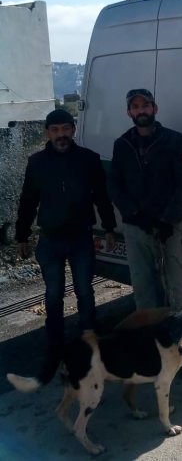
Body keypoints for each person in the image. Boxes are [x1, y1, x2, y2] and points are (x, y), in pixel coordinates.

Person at [15, 108, 117, 374]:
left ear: (73, 130)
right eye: (55, 130)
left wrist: (109, 228)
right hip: (50, 241)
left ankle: (89, 341)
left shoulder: (88, 160)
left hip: (81, 238)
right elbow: (28, 200)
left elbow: (102, 196)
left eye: (65, 129)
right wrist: (21, 236)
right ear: (47, 133)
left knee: (85, 291)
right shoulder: (36, 162)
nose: (61, 135)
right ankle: (55, 346)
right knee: (53, 295)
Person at [108, 89, 182, 311]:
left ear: (154, 108)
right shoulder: (122, 144)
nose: (141, 111)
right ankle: (147, 328)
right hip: (136, 226)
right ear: (129, 112)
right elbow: (114, 185)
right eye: (135, 107)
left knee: (175, 284)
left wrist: (169, 219)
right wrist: (133, 214)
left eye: (145, 106)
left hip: (167, 226)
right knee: (141, 285)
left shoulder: (174, 140)